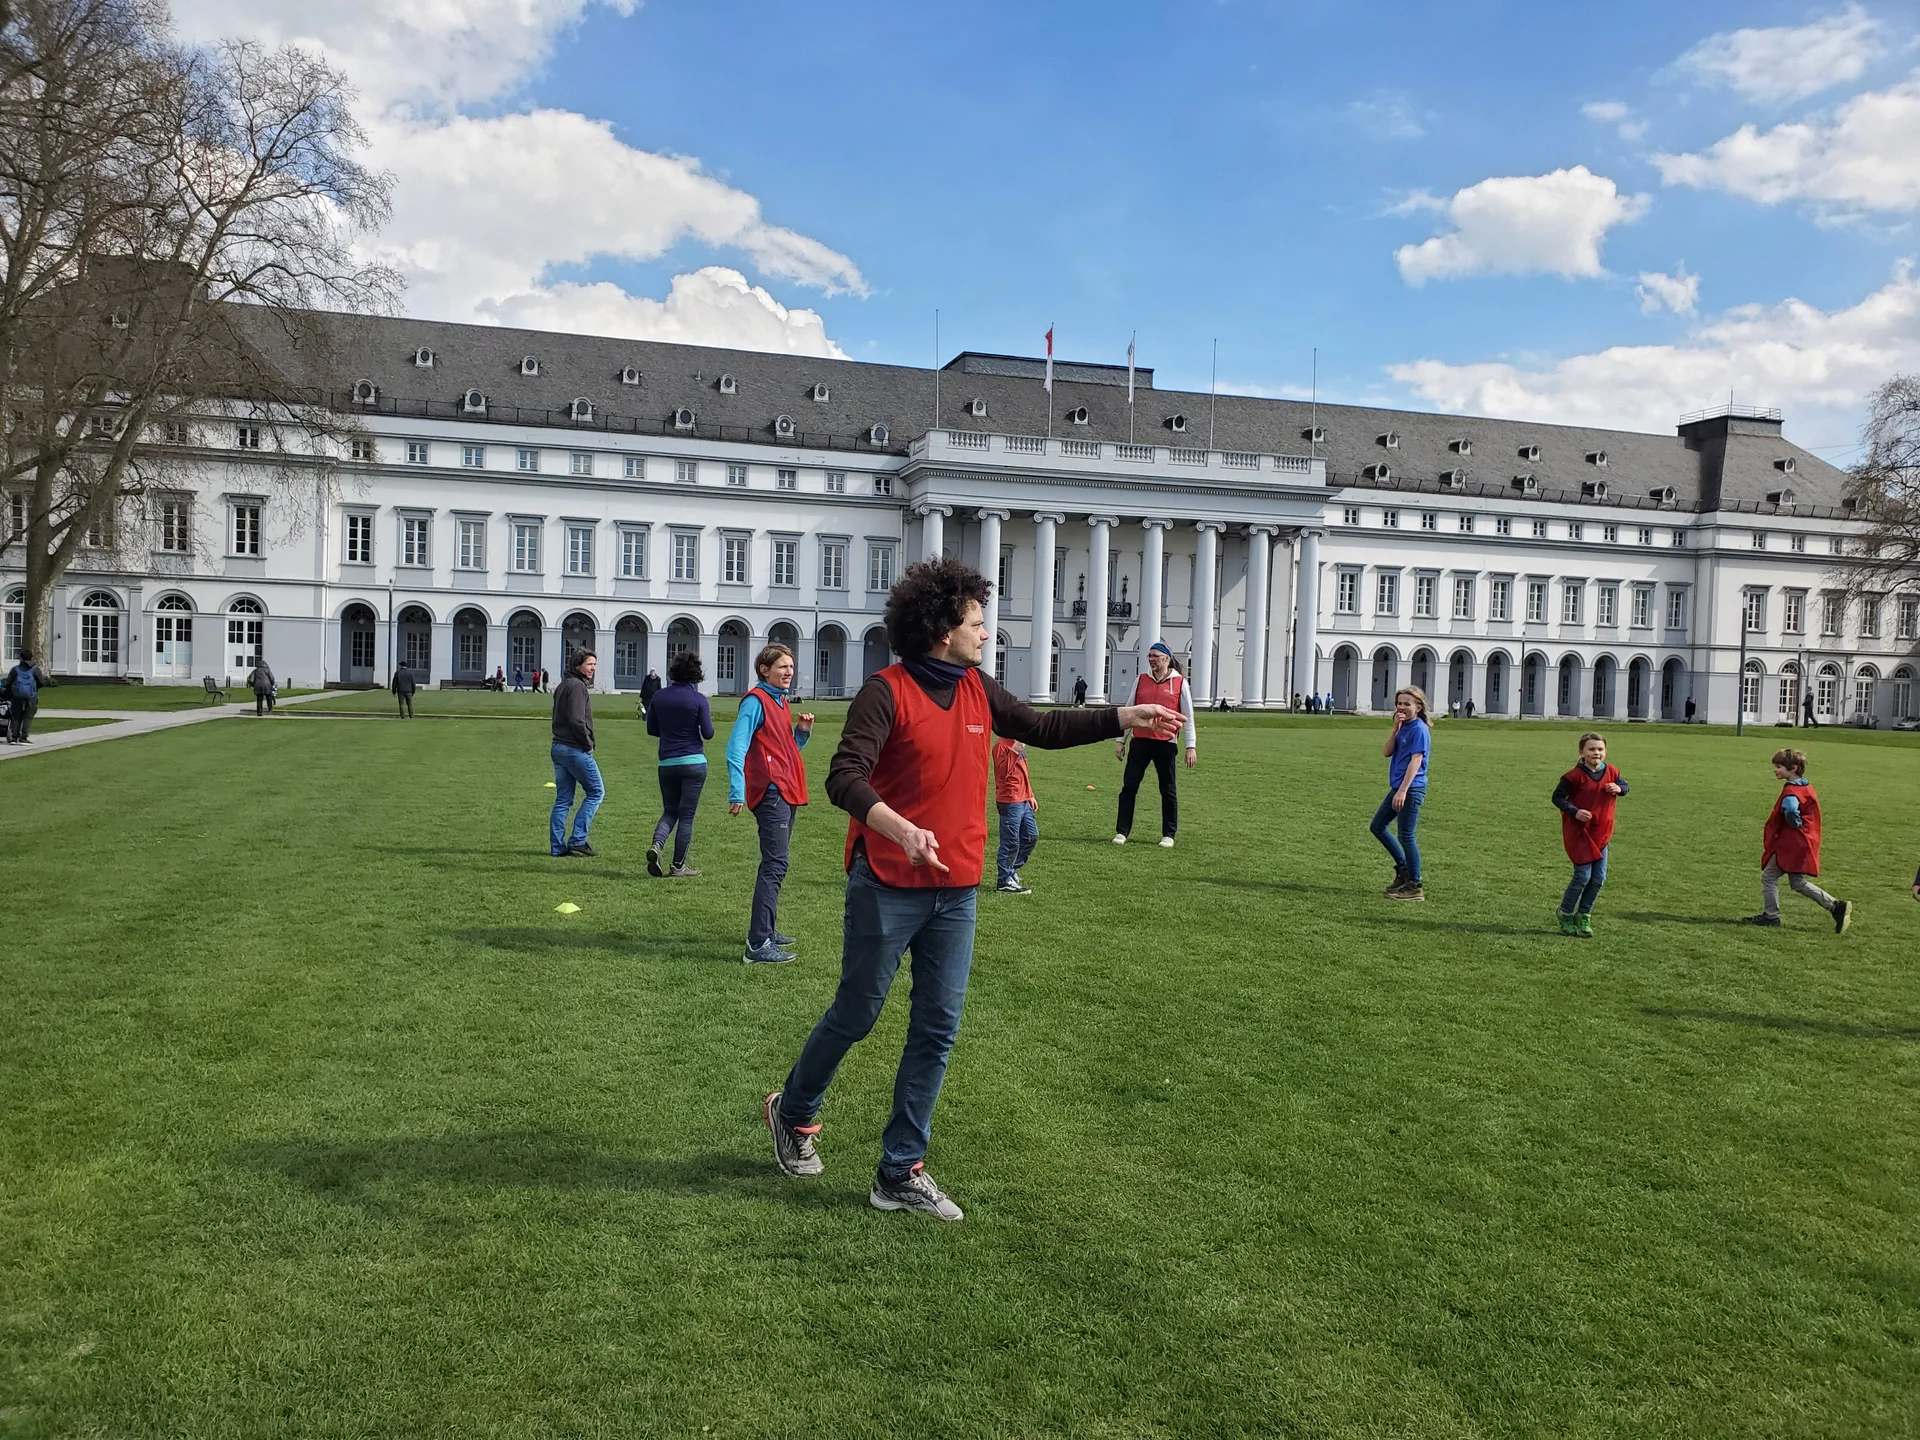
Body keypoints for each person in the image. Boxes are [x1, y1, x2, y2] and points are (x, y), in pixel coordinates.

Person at [764, 557, 1180, 1221]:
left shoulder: (978, 689)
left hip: (956, 890)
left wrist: (1124, 716)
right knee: (858, 1013)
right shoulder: (886, 692)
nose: (986, 632)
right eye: (977, 622)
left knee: (937, 1029)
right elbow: (844, 776)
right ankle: (795, 1110)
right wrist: (896, 827)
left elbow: (1040, 728)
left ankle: (899, 1172)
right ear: (940, 629)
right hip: (888, 883)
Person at [727, 642, 814, 964]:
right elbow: (736, 747)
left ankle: (767, 929)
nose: (789, 672)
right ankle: (757, 944)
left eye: (791, 667)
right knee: (775, 865)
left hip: (786, 789)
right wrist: (737, 790)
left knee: (777, 863)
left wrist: (801, 734)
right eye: (782, 667)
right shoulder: (756, 702)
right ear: (764, 670)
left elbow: (783, 752)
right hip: (771, 793)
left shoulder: (779, 702)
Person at [1744, 748, 1852, 932]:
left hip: (1792, 842)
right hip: (1803, 841)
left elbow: (1792, 809)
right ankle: (1836, 906)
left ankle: (1771, 916)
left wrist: (1793, 822)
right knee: (1797, 882)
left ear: (1793, 768)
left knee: (1769, 876)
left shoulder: (1792, 791)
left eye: (1779, 767)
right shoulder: (1805, 786)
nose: (1775, 770)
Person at [1113, 641, 1196, 848]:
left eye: (1155, 656)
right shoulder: (1141, 680)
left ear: (1166, 659)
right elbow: (1129, 710)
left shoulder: (1179, 683)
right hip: (1140, 741)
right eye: (1149, 656)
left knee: (1167, 789)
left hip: (1166, 743)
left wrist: (1190, 745)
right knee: (1129, 787)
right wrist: (1121, 740)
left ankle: (1169, 834)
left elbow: (1189, 716)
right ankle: (1122, 831)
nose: (1151, 659)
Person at [1552, 732, 1628, 937]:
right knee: (1583, 876)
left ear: (1606, 751)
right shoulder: (1573, 776)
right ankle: (1566, 913)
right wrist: (1575, 811)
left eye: (1600, 749)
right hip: (1580, 834)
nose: (1596, 753)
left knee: (1598, 879)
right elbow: (1558, 798)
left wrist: (1619, 789)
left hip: (1601, 833)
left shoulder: (1612, 771)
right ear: (1582, 752)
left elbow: (1625, 787)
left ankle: (1584, 915)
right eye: (1591, 749)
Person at [645, 649, 714, 878]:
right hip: (693, 761)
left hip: (667, 762)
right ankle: (678, 866)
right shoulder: (698, 699)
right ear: (696, 674)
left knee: (670, 811)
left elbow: (652, 729)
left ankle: (657, 844)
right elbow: (709, 733)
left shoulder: (659, 697)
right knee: (687, 816)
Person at [1371, 685, 1431, 901]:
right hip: (1399, 787)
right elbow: (1387, 752)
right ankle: (1404, 870)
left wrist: (1403, 791)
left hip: (1411, 788)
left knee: (1406, 835)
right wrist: (1395, 729)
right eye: (1399, 703)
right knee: (1377, 826)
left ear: (1418, 707)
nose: (1402, 707)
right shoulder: (1403, 727)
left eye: (1407, 704)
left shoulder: (1419, 729)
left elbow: (1416, 762)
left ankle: (1414, 885)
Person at [549, 649, 603, 858]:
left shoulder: (564, 685)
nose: (593, 669)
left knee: (563, 799)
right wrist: (587, 743)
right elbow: (576, 719)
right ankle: (578, 840)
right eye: (590, 664)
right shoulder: (577, 687)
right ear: (578, 664)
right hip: (574, 748)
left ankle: (557, 847)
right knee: (596, 792)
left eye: (595, 665)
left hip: (559, 747)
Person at [992, 735, 1038, 894]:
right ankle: (1004, 881)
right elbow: (1002, 772)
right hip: (1010, 800)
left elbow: (1023, 772)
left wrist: (1030, 794)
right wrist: (1014, 751)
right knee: (1010, 842)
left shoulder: (1018, 742)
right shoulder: (1001, 746)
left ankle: (1010, 871)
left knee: (1031, 837)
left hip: (1023, 799)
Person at [4, 649, 48, 744]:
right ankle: (24, 737)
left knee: (16, 717)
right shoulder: (35, 669)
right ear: (31, 658)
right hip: (30, 696)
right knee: (28, 717)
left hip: (17, 696)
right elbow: (41, 682)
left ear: (21, 658)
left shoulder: (15, 669)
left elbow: (8, 683)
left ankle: (14, 737)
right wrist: (34, 689)